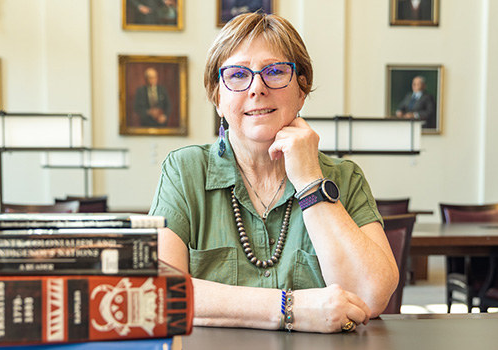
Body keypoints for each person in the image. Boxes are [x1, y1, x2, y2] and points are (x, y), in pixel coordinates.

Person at [149, 13, 397, 333]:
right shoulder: (184, 171)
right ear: (217, 98)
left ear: (302, 90)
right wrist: (288, 308)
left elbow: (371, 296)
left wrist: (310, 180)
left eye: (276, 71)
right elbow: (159, 293)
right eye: (238, 74)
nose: (257, 88)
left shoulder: (344, 177)